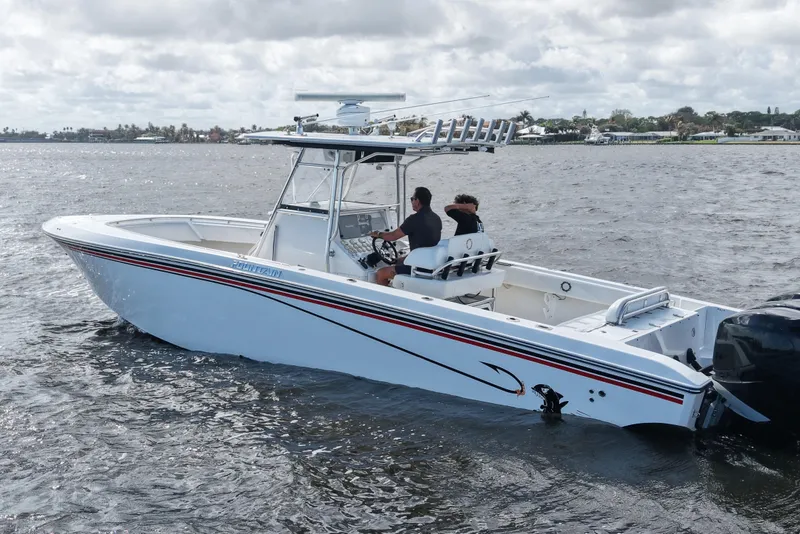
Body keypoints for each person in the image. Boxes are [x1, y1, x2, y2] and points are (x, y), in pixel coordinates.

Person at [369, 186, 442, 286]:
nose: (411, 201)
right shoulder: (436, 218)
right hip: (431, 264)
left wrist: (378, 234)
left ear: (417, 201)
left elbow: (393, 236)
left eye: (412, 199)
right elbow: (426, 245)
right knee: (399, 261)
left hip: (418, 267)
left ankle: (385, 300)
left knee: (381, 273)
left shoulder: (414, 219)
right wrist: (401, 259)